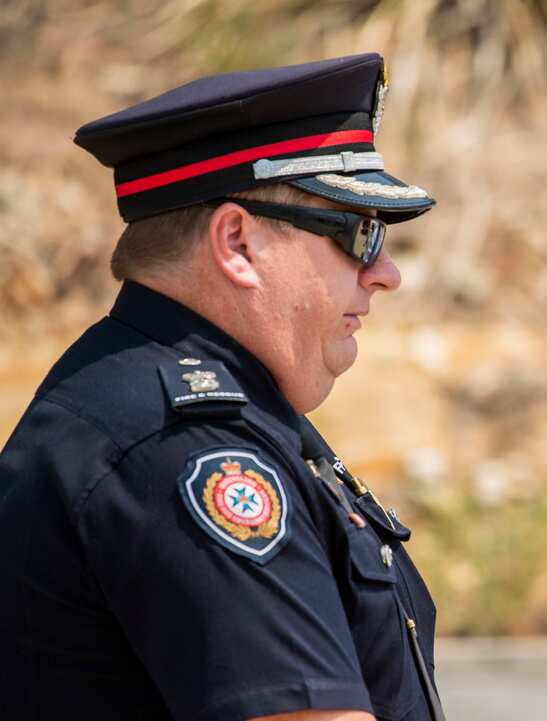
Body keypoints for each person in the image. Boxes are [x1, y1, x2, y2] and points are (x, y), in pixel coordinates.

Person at [0, 54, 448, 721]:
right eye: (360, 233)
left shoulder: (175, 403)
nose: (386, 273)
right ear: (237, 242)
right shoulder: (184, 447)